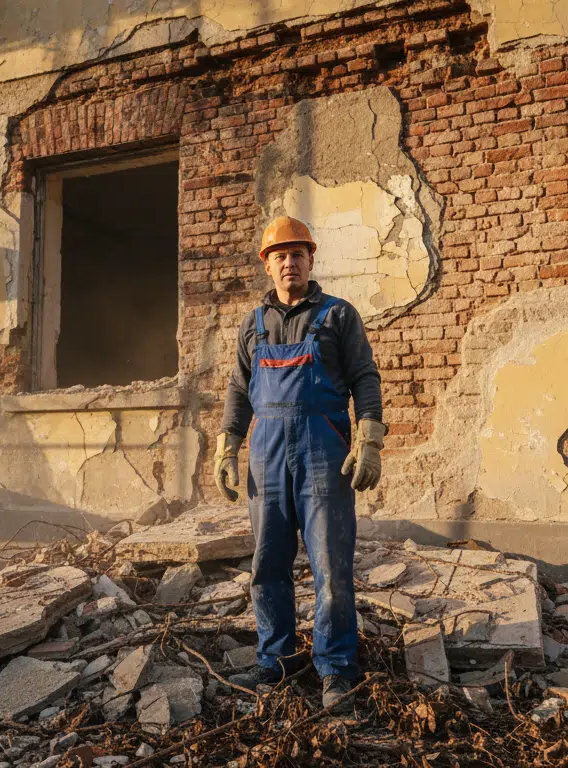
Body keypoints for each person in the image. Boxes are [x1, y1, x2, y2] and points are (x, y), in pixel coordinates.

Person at [214, 215, 388, 709]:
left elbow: (365, 377)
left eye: (298, 254)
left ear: (311, 260)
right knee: (268, 562)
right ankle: (277, 661)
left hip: (322, 451)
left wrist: (369, 439)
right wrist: (228, 446)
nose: (289, 263)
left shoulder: (338, 316)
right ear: (267, 266)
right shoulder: (253, 324)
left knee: (330, 562)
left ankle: (335, 668)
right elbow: (237, 388)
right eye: (280, 256)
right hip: (265, 454)